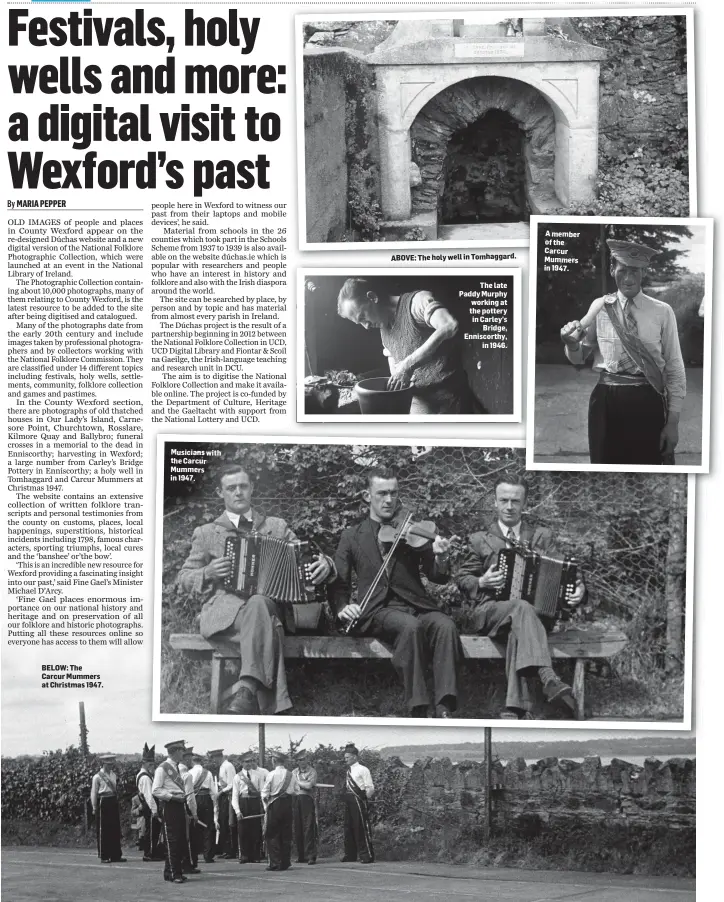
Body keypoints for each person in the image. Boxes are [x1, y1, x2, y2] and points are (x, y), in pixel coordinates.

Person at [177, 463, 334, 714]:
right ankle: (273, 703)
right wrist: (206, 572)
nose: (238, 492)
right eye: (231, 488)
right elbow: (183, 578)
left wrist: (325, 564)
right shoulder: (206, 533)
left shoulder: (276, 526)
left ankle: (247, 687)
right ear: (221, 493)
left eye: (243, 486)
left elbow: (309, 557)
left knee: (260, 602)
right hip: (227, 616)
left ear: (251, 489)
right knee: (264, 616)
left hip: (271, 607)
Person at [332, 467, 461, 717]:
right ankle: (419, 707)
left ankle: (446, 705)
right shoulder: (352, 536)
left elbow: (437, 575)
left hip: (415, 604)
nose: (389, 500)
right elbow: (339, 581)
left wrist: (442, 558)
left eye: (394, 493)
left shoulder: (411, 531)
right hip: (378, 610)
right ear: (367, 495)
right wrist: (341, 607)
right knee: (409, 627)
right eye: (382, 493)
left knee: (445, 625)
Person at [456, 476, 586, 719]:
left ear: (524, 504)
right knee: (521, 607)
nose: (509, 506)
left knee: (522, 618)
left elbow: (568, 574)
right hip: (491, 613)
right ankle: (548, 677)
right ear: (494, 502)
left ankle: (515, 709)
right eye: (503, 500)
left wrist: (579, 591)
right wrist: (481, 581)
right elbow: (462, 579)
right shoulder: (479, 539)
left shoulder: (541, 537)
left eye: (515, 501)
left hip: (533, 618)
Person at [560, 238, 686, 465]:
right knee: (605, 465)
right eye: (622, 270)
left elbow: (675, 367)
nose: (628, 278)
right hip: (606, 401)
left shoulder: (662, 312)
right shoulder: (599, 307)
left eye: (635, 271)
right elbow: (579, 357)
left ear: (644, 272)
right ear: (611, 270)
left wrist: (673, 422)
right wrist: (570, 343)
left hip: (648, 401)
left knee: (648, 463)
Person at [336, 278, 471, 414]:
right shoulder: (383, 328)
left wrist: (408, 365)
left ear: (373, 297)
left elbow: (450, 325)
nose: (366, 326)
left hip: (450, 398)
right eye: (359, 323)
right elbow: (394, 364)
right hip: (420, 401)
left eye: (363, 317)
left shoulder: (417, 302)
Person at [152, 740, 189, 884]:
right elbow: (156, 790)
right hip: (170, 805)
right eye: (181, 751)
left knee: (178, 840)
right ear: (174, 752)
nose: (183, 753)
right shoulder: (162, 768)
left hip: (179, 804)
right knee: (172, 840)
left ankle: (171, 872)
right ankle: (175, 873)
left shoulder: (177, 767)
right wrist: (173, 797)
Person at [262, 751, 299, 871]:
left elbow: (265, 792)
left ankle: (275, 863)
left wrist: (265, 806)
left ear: (274, 761)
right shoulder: (291, 774)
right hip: (287, 804)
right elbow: (296, 790)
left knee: (273, 834)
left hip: (275, 805)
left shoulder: (271, 774)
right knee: (286, 834)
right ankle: (285, 862)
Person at [232, 751, 269, 863]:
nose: (248, 764)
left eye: (250, 761)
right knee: (243, 830)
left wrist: (265, 808)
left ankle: (256, 855)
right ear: (242, 763)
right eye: (246, 762)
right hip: (243, 802)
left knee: (255, 829)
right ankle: (244, 855)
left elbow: (263, 792)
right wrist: (237, 811)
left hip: (254, 802)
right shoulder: (237, 777)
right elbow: (234, 796)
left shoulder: (258, 775)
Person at [341, 744, 374, 864]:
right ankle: (350, 854)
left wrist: (364, 799)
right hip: (349, 800)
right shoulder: (348, 771)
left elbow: (370, 787)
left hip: (358, 799)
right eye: (345, 757)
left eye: (347, 757)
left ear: (354, 757)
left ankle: (366, 855)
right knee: (348, 827)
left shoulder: (363, 769)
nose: (345, 759)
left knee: (360, 827)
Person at [90, 754, 126, 863]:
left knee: (115, 828)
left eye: (111, 764)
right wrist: (94, 806)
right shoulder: (97, 777)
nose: (110, 766)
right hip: (103, 801)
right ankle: (104, 855)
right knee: (104, 829)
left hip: (113, 800)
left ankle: (116, 855)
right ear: (103, 763)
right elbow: (94, 792)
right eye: (108, 764)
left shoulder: (113, 775)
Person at [136, 743, 164, 862]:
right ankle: (149, 853)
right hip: (150, 806)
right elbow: (148, 795)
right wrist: (155, 810)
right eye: (150, 764)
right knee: (152, 831)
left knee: (152, 830)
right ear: (145, 763)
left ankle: (152, 851)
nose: (152, 766)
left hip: (149, 806)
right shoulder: (145, 777)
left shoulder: (144, 775)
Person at [189, 751, 218, 864]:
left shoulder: (190, 772)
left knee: (195, 828)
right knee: (208, 827)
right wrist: (215, 804)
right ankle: (208, 855)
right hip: (206, 799)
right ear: (201, 761)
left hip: (195, 799)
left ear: (192, 761)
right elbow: (213, 792)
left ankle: (194, 855)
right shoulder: (208, 773)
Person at [210, 748, 237, 860]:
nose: (214, 761)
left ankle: (231, 850)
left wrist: (221, 792)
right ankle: (225, 849)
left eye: (214, 759)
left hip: (228, 796)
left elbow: (232, 784)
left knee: (228, 822)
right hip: (222, 796)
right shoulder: (221, 767)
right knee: (222, 822)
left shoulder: (228, 766)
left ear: (219, 757)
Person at [292, 750, 318, 865]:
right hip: (296, 799)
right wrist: (300, 783)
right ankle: (301, 855)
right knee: (298, 827)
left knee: (308, 827)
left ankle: (311, 855)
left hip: (307, 799)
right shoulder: (294, 771)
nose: (302, 762)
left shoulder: (312, 771)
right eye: (299, 760)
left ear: (307, 760)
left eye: (304, 759)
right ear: (297, 761)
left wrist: (297, 782)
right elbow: (292, 787)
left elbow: (309, 785)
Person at [179, 747, 200, 874]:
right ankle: (189, 865)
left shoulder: (174, 771)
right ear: (186, 758)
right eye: (190, 757)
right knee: (189, 837)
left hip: (176, 805)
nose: (191, 760)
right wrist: (194, 813)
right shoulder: (186, 774)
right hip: (186, 807)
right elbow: (190, 796)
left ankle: (181, 864)